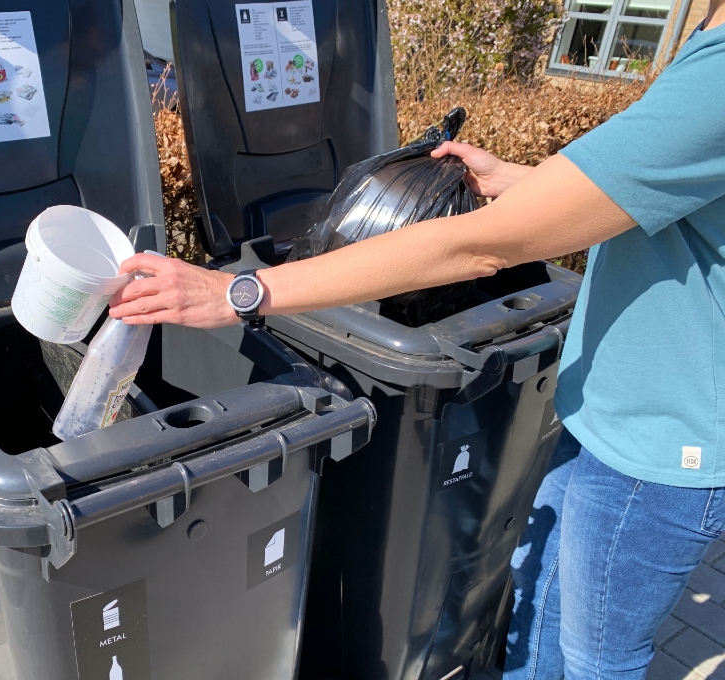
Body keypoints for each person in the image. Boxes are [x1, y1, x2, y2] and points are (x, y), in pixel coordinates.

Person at [109, 3, 724, 677]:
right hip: (610, 400)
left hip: (666, 439)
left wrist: (240, 293)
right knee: (540, 594)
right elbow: (651, 191)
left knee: (597, 654)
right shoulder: (708, 35)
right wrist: (519, 184)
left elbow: (476, 247)